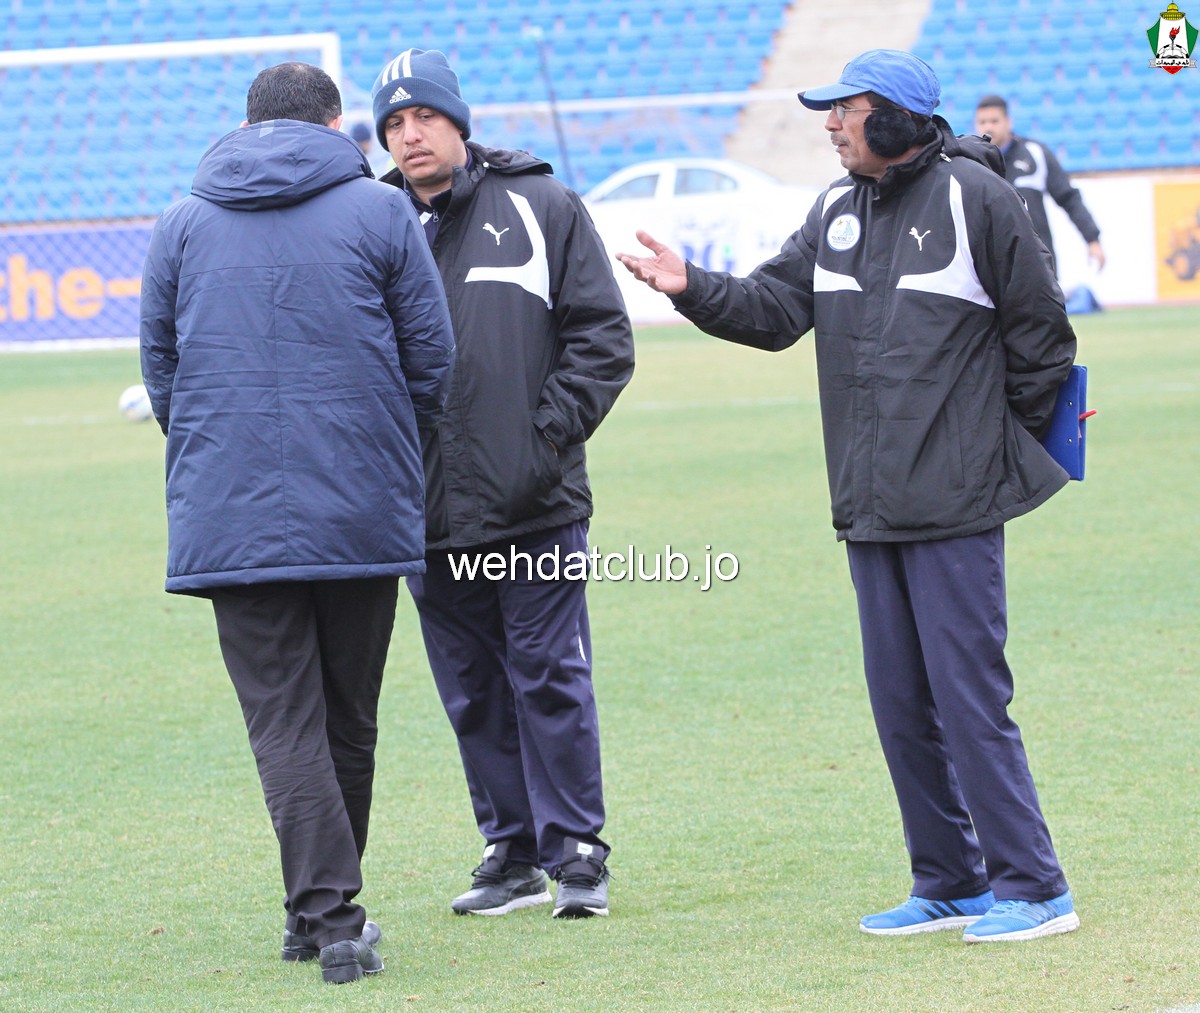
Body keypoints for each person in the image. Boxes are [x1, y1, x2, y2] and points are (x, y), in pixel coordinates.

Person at [617, 50, 1081, 944]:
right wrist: (692, 287)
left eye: (847, 108)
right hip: (868, 506)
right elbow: (772, 310)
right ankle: (951, 880)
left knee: (970, 698)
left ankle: (1035, 886)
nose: (830, 124)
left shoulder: (978, 199)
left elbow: (1043, 341)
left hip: (955, 505)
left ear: (899, 117)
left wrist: (988, 455)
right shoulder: (834, 209)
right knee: (900, 702)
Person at [139, 61, 455, 983]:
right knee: (348, 715)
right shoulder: (382, 211)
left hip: (231, 511)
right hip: (359, 500)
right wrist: (385, 444)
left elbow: (162, 372)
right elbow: (431, 360)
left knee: (284, 720)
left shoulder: (181, 222)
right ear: (333, 123)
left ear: (246, 127)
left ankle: (317, 912)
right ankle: (330, 917)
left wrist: (221, 454)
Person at [368, 48, 635, 918]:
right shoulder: (373, 222)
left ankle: (578, 851)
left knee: (548, 674)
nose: (410, 135)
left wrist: (543, 438)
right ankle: (512, 850)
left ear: (459, 121)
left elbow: (603, 337)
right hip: (422, 510)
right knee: (472, 689)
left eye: (425, 116)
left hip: (532, 501)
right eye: (394, 123)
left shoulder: (542, 204)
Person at [974, 94, 1105, 277]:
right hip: (991, 266)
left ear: (1008, 122)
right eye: (982, 122)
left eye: (994, 121)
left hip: (1038, 262)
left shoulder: (1035, 153)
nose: (988, 127)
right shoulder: (971, 162)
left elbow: (1068, 197)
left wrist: (1092, 239)